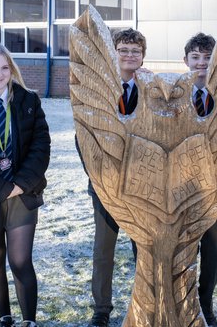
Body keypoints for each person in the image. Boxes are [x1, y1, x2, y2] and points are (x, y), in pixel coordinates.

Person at [76, 28, 147, 327]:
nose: (130, 55)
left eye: (136, 51)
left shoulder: (152, 89)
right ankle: (101, 309)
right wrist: (99, 176)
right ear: (113, 52)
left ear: (143, 56)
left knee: (142, 250)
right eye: (124, 49)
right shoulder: (99, 87)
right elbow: (84, 136)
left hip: (141, 187)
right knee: (104, 250)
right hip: (105, 185)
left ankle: (143, 303)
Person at [0, 43, 50, 327]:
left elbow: (41, 146)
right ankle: (5, 317)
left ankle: (29, 321)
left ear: (11, 69)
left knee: (19, 260)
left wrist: (19, 184)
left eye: (4, 67)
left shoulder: (28, 100)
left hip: (22, 194)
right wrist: (0, 188)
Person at [183, 33, 217, 327]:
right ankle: (186, 302)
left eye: (207, 58)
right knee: (185, 251)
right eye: (196, 58)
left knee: (214, 252)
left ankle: (205, 301)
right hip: (183, 191)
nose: (202, 64)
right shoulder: (174, 95)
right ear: (186, 61)